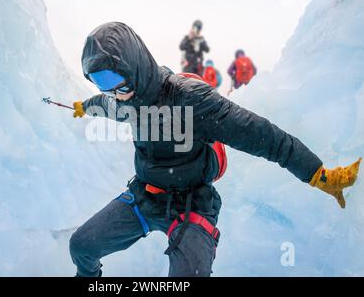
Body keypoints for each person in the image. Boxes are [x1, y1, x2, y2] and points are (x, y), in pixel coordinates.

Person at [70, 22, 361, 277]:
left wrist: (316, 172)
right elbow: (106, 105)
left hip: (192, 203)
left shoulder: (189, 98)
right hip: (145, 195)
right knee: (81, 246)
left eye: (111, 81)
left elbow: (261, 134)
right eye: (99, 82)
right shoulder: (125, 100)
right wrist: (86, 106)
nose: (111, 92)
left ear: (132, 66)